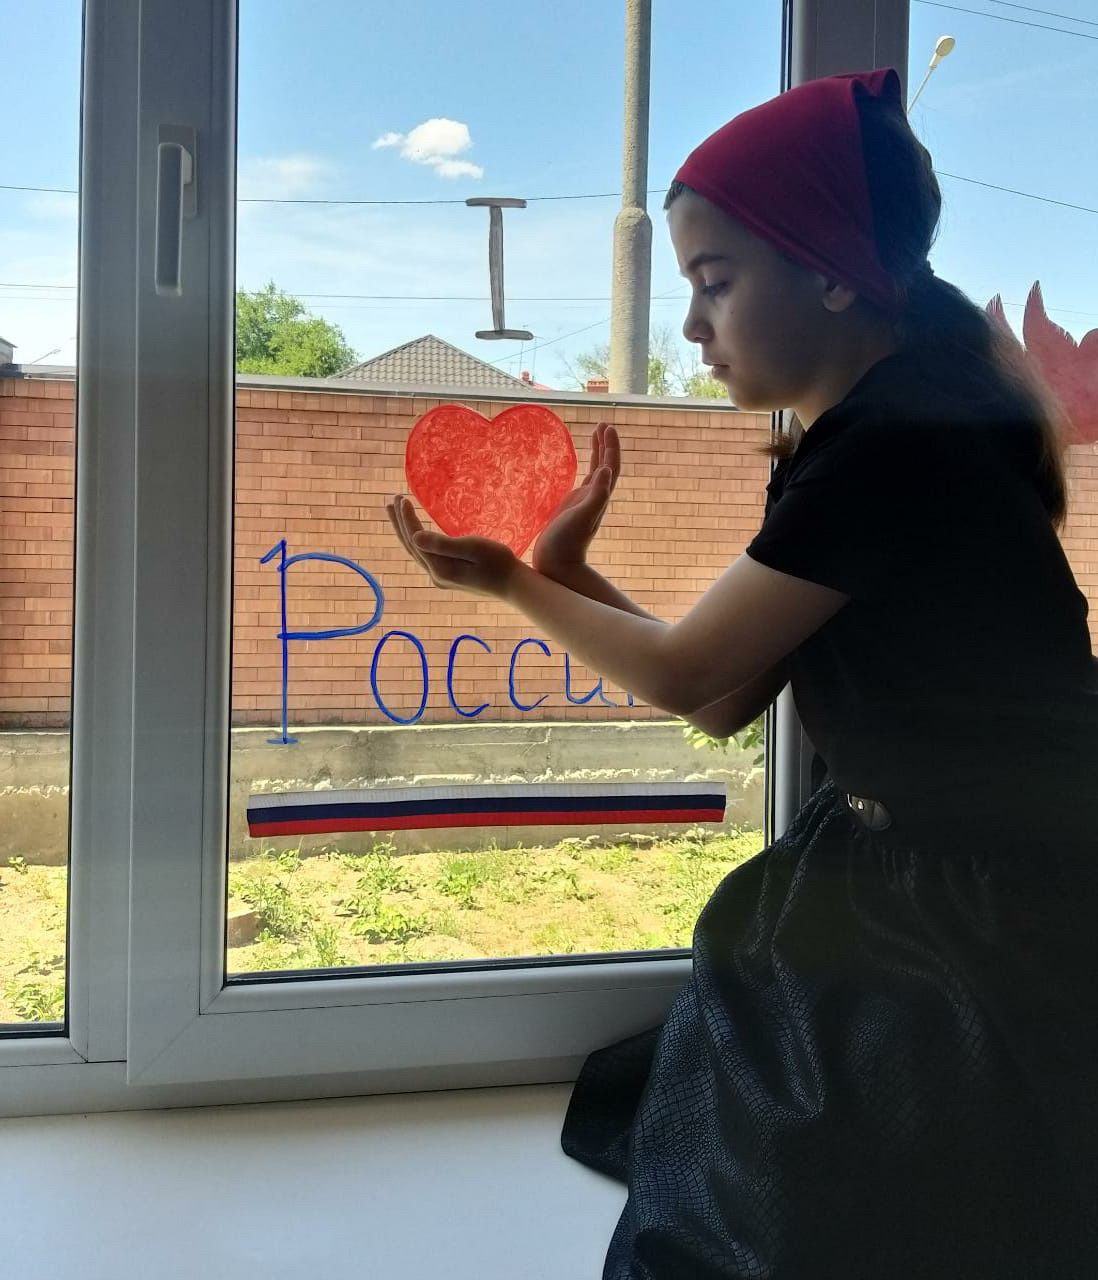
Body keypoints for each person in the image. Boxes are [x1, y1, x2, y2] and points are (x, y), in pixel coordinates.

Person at [387, 67, 1098, 1279]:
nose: (691, 326)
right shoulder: (866, 432)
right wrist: (565, 570)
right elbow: (724, 695)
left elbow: (685, 678)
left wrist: (514, 583)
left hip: (1005, 901)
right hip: (935, 859)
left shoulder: (894, 446)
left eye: (715, 282)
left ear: (833, 273)